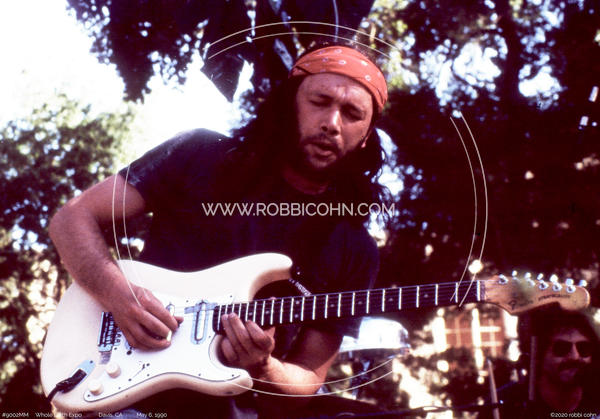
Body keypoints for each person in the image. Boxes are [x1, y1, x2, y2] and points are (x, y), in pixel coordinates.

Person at [48, 42, 389, 418]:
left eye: (352, 113)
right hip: (118, 395)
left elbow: (306, 378)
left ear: (366, 136)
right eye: (319, 101)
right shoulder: (200, 155)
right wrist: (117, 294)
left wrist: (263, 366)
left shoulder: (354, 250)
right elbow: (72, 220)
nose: (332, 123)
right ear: (289, 104)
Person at [483, 305, 600, 418]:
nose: (574, 356)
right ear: (539, 354)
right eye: (561, 348)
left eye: (583, 348)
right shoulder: (506, 404)